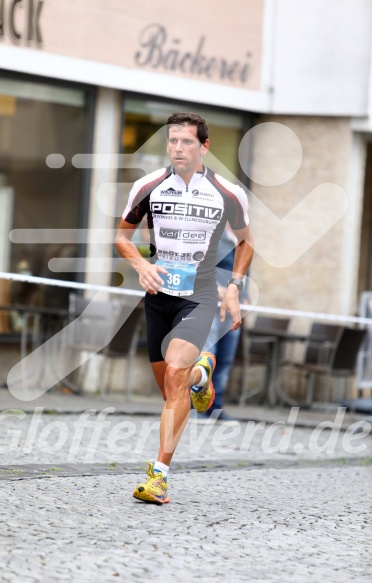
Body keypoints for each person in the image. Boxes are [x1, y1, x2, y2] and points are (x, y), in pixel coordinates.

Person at [115, 112, 254, 504]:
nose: (178, 148)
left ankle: (159, 476)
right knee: (171, 388)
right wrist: (142, 264)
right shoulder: (148, 187)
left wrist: (234, 288)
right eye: (173, 141)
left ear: (204, 147)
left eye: (187, 142)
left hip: (201, 295)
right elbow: (122, 239)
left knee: (173, 373)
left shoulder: (228, 193)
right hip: (159, 296)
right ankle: (200, 375)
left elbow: (247, 243)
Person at [195, 226, 249, 425]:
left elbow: (244, 272)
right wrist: (215, 288)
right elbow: (197, 266)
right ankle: (196, 408)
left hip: (233, 309)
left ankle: (215, 407)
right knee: (206, 355)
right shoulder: (209, 235)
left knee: (225, 359)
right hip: (210, 305)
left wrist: (245, 297)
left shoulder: (242, 239)